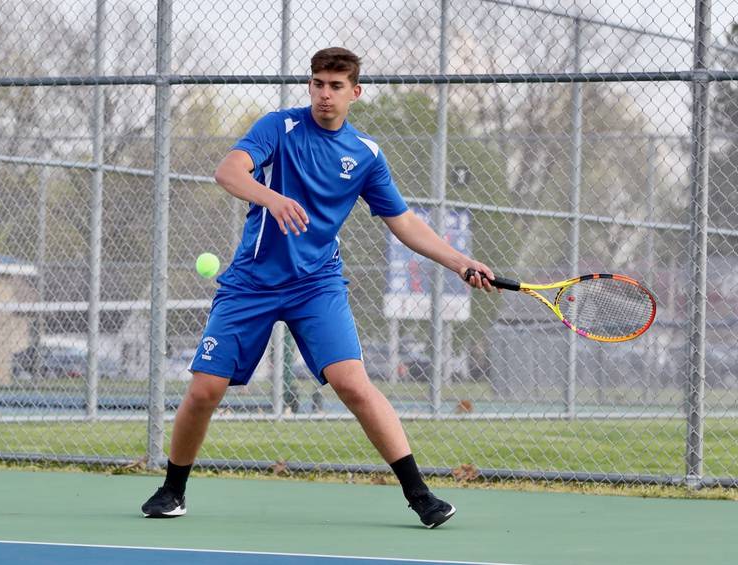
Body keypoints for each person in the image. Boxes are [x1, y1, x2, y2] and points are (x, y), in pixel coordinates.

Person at [141, 47, 496, 529]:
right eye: (317, 84)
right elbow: (228, 171)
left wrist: (459, 262)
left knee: (354, 384)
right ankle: (172, 489)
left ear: (355, 92)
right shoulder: (279, 128)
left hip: (317, 284)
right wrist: (273, 198)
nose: (324, 94)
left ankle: (421, 496)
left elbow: (405, 222)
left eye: (335, 86)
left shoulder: (366, 155)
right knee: (205, 390)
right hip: (252, 282)